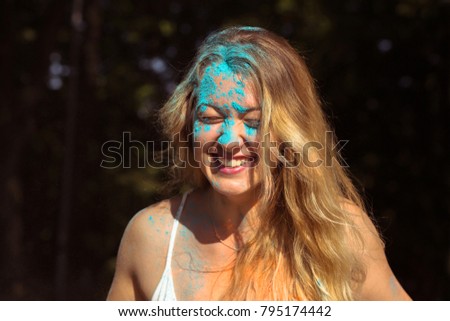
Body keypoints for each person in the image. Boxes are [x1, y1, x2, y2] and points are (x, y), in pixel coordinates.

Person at [107, 26, 411, 301]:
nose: (228, 141)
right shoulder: (151, 236)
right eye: (209, 118)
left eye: (253, 121)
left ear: (290, 131)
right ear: (188, 126)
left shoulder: (338, 233)